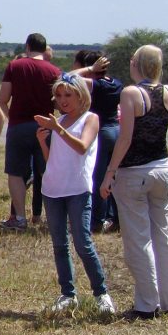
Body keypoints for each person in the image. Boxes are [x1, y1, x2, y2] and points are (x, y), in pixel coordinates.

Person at [99, 45, 168, 320]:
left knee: (138, 240)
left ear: (137, 63)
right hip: (162, 169)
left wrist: (110, 171)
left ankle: (147, 304)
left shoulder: (131, 93)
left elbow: (125, 138)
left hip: (135, 172)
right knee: (162, 236)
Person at [34, 74, 116, 314]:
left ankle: (101, 293)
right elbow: (54, 161)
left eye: (68, 95)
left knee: (82, 242)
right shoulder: (60, 122)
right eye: (59, 96)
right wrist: (43, 142)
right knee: (60, 244)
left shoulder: (90, 119)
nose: (63, 100)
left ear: (81, 96)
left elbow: (81, 147)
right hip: (53, 189)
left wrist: (57, 128)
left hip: (78, 189)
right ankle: (68, 293)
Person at [0, 33, 62, 230]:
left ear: (27, 47)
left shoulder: (14, 66)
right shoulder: (54, 70)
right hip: (45, 126)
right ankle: (53, 216)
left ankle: (19, 218)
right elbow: (60, 102)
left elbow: (2, 98)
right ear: (44, 49)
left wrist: (11, 116)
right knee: (47, 171)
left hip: (19, 126)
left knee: (16, 173)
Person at [70, 50, 122, 233]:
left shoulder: (95, 85)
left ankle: (97, 221)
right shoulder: (117, 83)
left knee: (97, 177)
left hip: (100, 131)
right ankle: (117, 218)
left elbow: (66, 78)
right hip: (116, 130)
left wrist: (89, 68)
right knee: (113, 177)